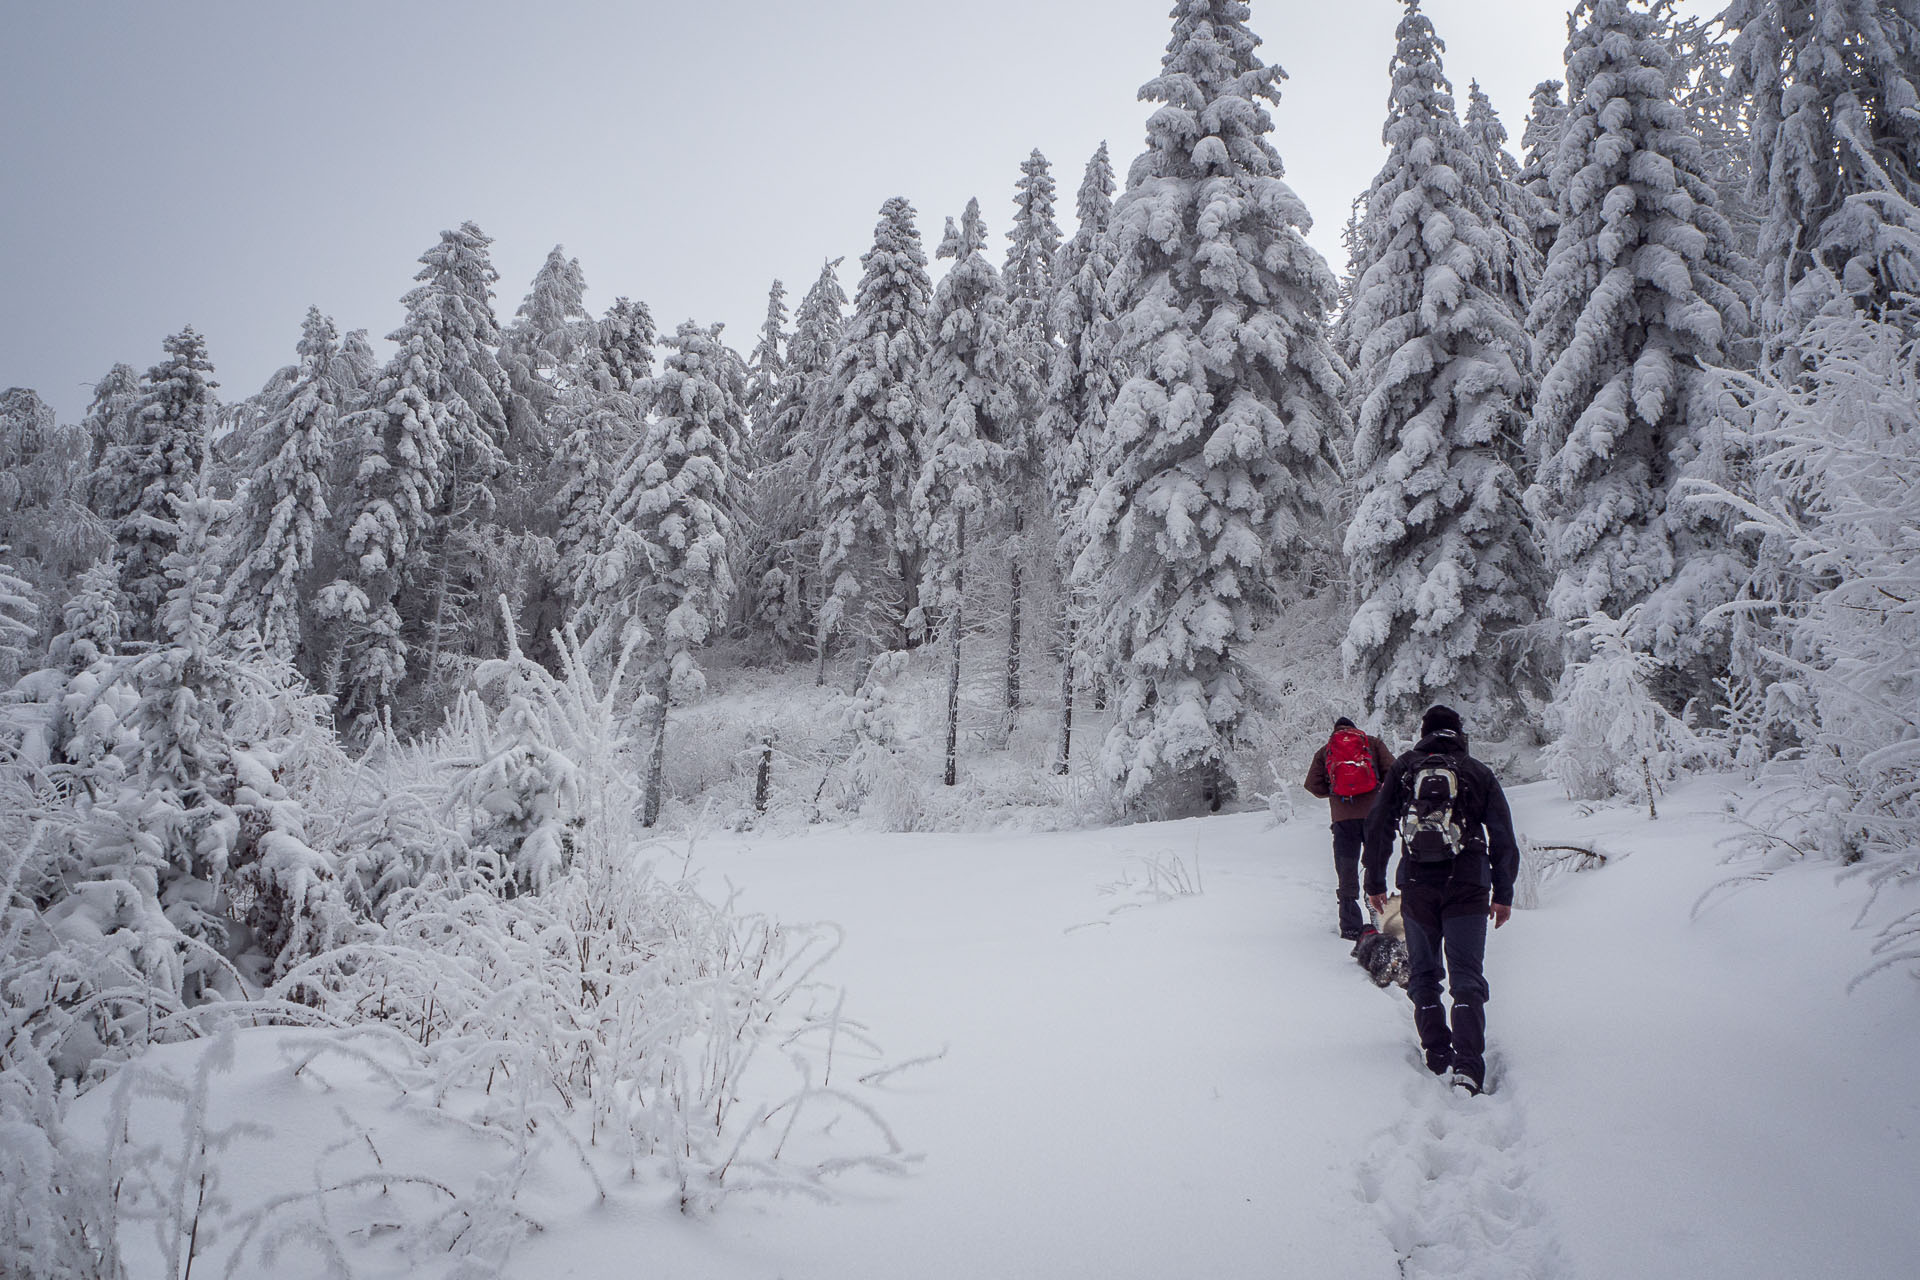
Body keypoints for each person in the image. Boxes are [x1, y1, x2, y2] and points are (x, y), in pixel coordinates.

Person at [1363, 704, 1518, 1095]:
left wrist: (1375, 880)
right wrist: (1503, 893)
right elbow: (1503, 835)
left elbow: (1378, 824)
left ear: (1424, 732)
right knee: (1466, 976)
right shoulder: (1477, 771)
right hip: (1468, 883)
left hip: (1417, 884)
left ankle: (1436, 1054)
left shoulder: (1404, 769)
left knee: (1425, 973)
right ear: (1459, 733)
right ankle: (1468, 1067)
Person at [1303, 717, 1397, 941]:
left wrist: (1336, 792)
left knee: (1346, 869)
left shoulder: (1326, 750)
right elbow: (1393, 772)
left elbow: (1311, 784)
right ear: (1356, 729)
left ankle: (1350, 926)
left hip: (1343, 819)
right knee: (1374, 867)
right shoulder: (1372, 744)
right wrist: (1376, 791)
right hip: (1373, 816)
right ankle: (1380, 917)